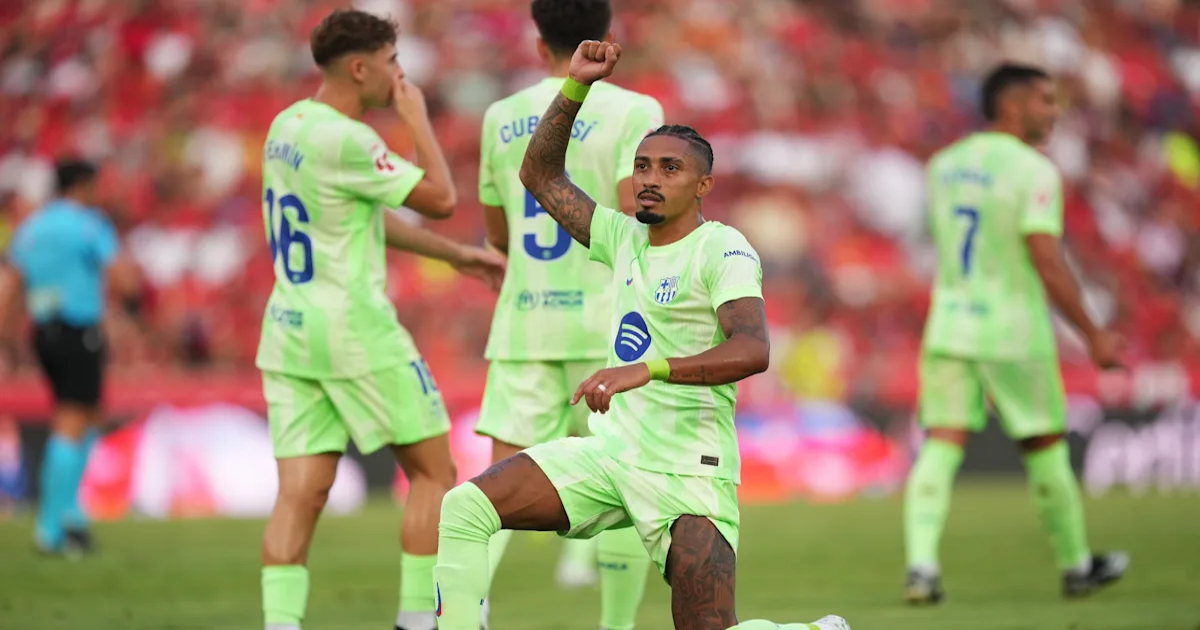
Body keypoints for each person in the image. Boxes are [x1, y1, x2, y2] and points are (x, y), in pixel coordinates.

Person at [433, 41, 850, 630]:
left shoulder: (721, 248)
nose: (650, 179)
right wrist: (576, 87)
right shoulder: (622, 236)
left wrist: (647, 369)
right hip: (610, 455)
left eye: (670, 169)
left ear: (703, 185)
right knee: (466, 506)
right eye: (643, 166)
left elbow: (752, 349)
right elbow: (539, 175)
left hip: (689, 469)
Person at [254, 9, 505, 630]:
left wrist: (453, 256)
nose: (400, 74)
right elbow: (441, 199)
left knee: (301, 493)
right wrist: (416, 118)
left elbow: (355, 212)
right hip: (355, 328)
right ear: (360, 68)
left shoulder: (288, 126)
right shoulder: (350, 139)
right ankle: (416, 623)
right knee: (434, 472)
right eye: (392, 61)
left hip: (288, 329)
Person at [904, 62, 1129, 604]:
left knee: (941, 443)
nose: (1054, 112)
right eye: (1045, 100)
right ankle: (1076, 565)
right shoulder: (1033, 170)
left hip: (949, 323)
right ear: (1012, 106)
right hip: (1013, 329)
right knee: (1045, 446)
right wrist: (1093, 334)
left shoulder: (942, 165)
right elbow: (1046, 258)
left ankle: (921, 567)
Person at [473, 0, 663, 626]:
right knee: (624, 481)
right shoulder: (636, 110)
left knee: (496, 490)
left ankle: (464, 616)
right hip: (610, 331)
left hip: (525, 324)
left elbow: (497, 234)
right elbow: (637, 217)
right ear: (607, 37)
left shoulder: (501, 116)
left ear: (538, 43)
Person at [0, 159, 138, 557]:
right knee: (73, 420)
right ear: (82, 185)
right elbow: (123, 277)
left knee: (88, 416)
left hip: (43, 332)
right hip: (78, 330)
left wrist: (7, 337)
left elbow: (11, 284)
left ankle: (70, 514)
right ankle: (51, 527)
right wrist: (131, 302)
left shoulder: (31, 227)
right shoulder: (88, 225)